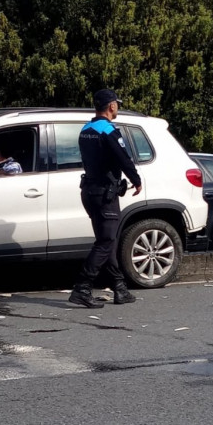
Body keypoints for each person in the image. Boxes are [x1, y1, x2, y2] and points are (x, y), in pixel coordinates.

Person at [69, 89, 142, 308]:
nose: (117, 107)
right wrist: (136, 180)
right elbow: (123, 158)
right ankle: (82, 287)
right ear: (111, 106)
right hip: (105, 194)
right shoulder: (108, 130)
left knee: (107, 240)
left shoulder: (86, 129)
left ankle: (120, 288)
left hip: (89, 192)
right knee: (106, 241)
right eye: (116, 104)